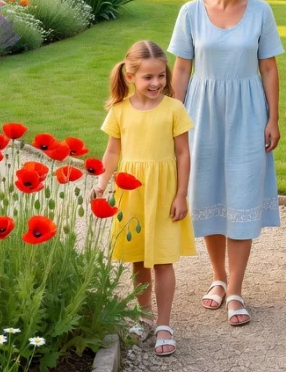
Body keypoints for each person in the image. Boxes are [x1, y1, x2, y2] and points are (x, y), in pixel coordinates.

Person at [170, 0, 283, 327]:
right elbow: (181, 69)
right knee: (208, 194)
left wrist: (272, 118)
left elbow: (268, 68)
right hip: (201, 111)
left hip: (249, 112)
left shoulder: (261, 12)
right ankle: (217, 278)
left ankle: (235, 289)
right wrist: (174, 118)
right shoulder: (190, 12)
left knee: (242, 194)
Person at [91, 40, 196, 357]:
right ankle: (144, 315)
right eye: (148, 77)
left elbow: (183, 153)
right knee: (139, 256)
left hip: (164, 193)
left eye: (161, 76)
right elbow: (112, 151)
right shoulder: (120, 111)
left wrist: (181, 195)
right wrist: (100, 183)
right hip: (131, 192)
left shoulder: (174, 109)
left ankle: (164, 323)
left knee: (162, 259)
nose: (156, 83)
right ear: (130, 76)